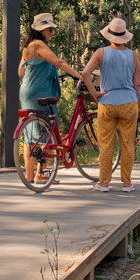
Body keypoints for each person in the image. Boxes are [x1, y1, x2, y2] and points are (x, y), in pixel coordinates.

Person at [18, 13, 82, 184]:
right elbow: (59, 63)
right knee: (46, 132)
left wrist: (35, 75)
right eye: (50, 29)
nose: (52, 32)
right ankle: (41, 174)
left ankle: (29, 175)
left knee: (30, 135)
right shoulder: (39, 45)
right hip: (41, 93)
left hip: (26, 92)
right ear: (41, 30)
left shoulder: (27, 48)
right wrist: (79, 75)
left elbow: (21, 72)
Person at [81, 17, 140, 192]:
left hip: (107, 103)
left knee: (106, 144)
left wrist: (94, 93)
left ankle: (103, 183)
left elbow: (86, 73)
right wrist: (139, 107)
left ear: (109, 35)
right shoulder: (133, 55)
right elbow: (137, 84)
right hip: (129, 103)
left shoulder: (101, 53)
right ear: (125, 36)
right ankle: (127, 183)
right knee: (128, 144)